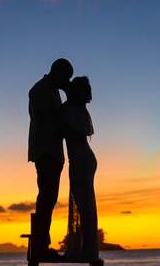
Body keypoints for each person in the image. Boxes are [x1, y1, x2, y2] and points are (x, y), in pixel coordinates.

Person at [29, 58, 73, 259]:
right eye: (67, 78)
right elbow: (46, 122)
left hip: (53, 153)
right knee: (46, 199)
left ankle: (41, 245)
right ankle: (40, 247)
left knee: (49, 198)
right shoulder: (39, 90)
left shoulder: (52, 90)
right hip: (46, 152)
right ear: (59, 74)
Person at [61, 76, 97, 262]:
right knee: (85, 204)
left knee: (83, 204)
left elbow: (71, 134)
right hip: (85, 156)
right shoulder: (80, 110)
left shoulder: (68, 110)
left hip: (80, 158)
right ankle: (87, 247)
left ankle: (86, 249)